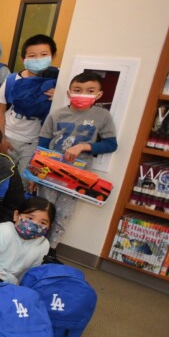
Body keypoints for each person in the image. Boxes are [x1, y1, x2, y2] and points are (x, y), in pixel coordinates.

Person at [37, 71, 118, 253]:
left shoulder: (102, 116)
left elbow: (111, 144)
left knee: (63, 213)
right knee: (43, 209)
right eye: (77, 89)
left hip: (77, 176)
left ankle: (50, 251)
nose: (83, 93)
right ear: (69, 93)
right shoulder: (57, 115)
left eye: (90, 90)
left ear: (98, 95)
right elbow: (42, 145)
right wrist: (35, 172)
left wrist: (84, 146)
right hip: (50, 171)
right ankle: (35, 246)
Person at [0, 34, 60, 171]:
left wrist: (59, 99)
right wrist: (1, 138)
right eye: (32, 55)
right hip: (9, 137)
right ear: (23, 59)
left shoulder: (61, 80)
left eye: (43, 54)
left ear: (52, 56)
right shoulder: (12, 80)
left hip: (36, 142)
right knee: (1, 175)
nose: (38, 59)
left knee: (26, 178)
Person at [0, 197, 55, 284]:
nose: (35, 224)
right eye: (30, 218)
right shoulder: (3, 230)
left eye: (43, 223)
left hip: (11, 289)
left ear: (49, 226)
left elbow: (30, 274)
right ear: (16, 215)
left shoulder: (43, 244)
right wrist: (9, 280)